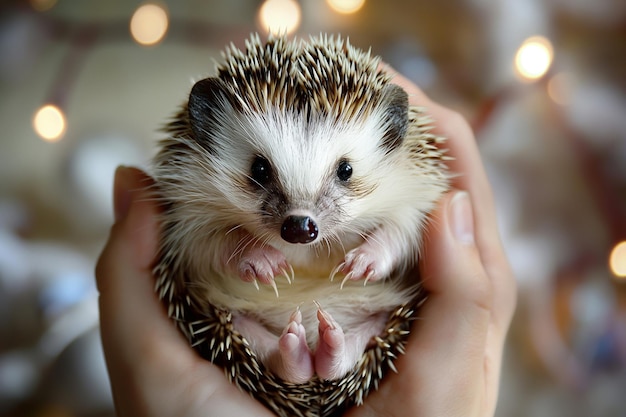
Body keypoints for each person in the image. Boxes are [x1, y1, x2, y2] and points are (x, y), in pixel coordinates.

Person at [95, 68, 517, 417]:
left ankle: (343, 352)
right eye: (261, 173)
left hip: (362, 314)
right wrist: (229, 253)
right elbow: (191, 254)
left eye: (344, 174)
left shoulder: (404, 184)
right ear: (209, 134)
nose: (301, 221)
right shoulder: (197, 190)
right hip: (254, 315)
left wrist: (385, 249)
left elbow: (410, 234)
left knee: (377, 323)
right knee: (236, 324)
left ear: (390, 141)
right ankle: (279, 357)